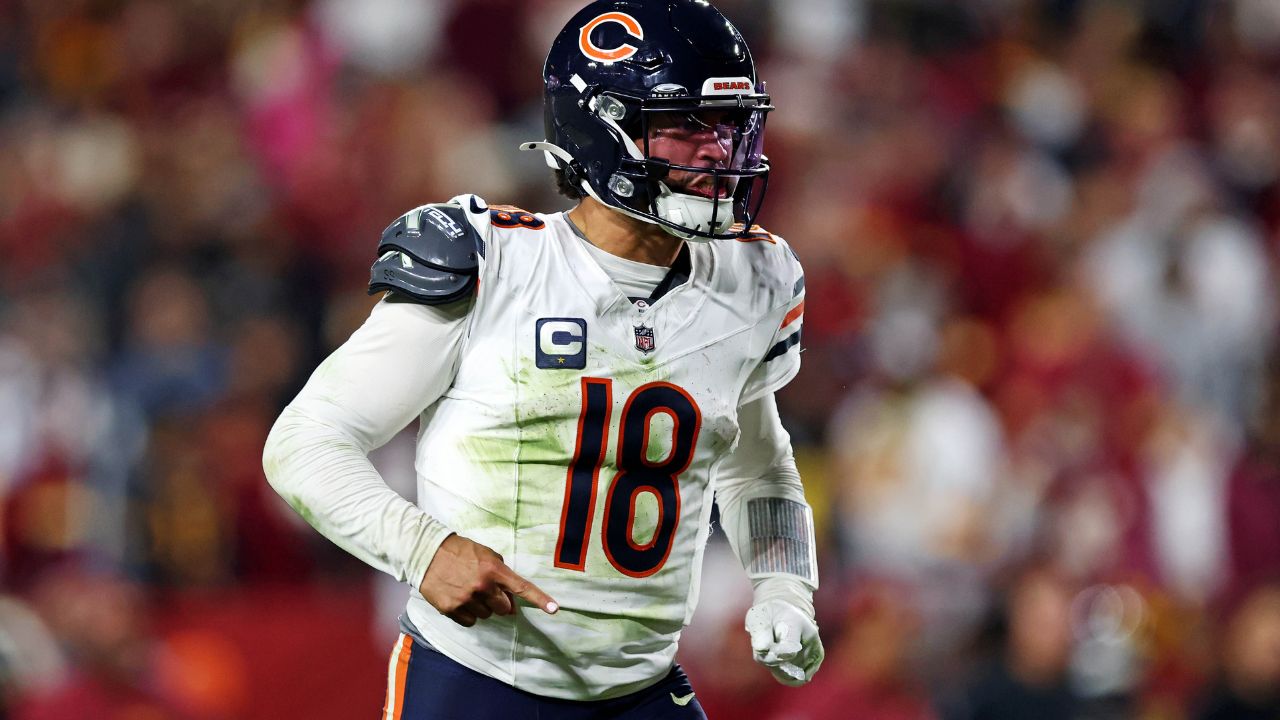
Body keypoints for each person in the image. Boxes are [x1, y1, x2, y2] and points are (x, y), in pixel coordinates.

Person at [262, 1, 823, 717]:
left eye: (730, 126)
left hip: (642, 688)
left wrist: (782, 587)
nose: (718, 152)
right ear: (600, 127)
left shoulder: (754, 281)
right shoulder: (493, 263)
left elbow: (758, 462)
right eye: (686, 127)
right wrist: (422, 549)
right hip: (480, 679)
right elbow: (305, 441)